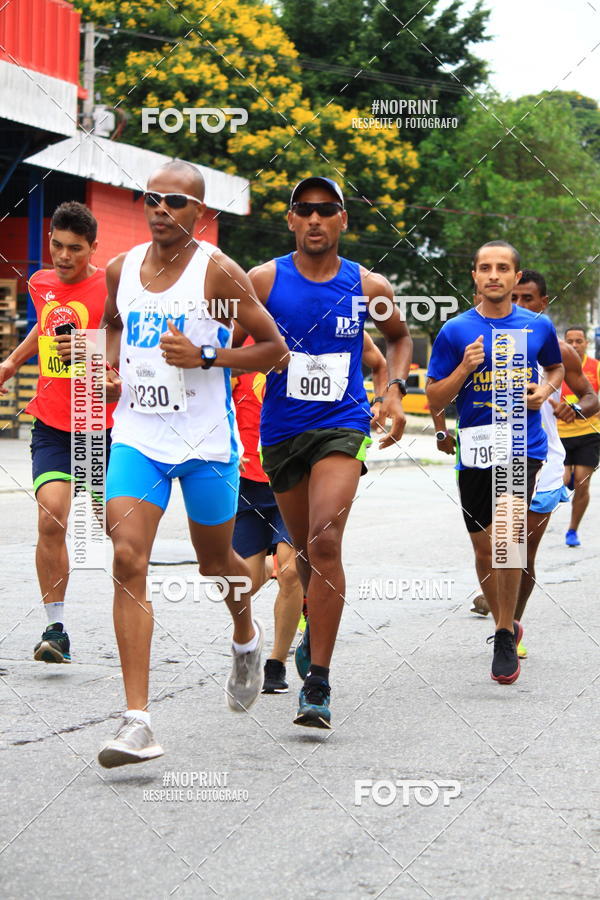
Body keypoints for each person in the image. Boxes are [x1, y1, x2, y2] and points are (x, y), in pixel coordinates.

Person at [97, 160, 289, 767]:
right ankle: (137, 722)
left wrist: (208, 354)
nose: (160, 209)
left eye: (175, 202)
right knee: (127, 555)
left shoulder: (220, 273)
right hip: (137, 436)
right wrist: (108, 366)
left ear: (200, 214)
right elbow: (110, 324)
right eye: (152, 198)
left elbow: (274, 349)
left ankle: (245, 635)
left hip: (206, 442)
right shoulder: (120, 269)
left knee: (216, 566)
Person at [249, 176, 412, 728]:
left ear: (343, 220)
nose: (315, 219)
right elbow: (227, 336)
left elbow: (399, 339)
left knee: (325, 540)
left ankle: (317, 683)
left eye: (327, 210)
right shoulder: (263, 279)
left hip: (342, 425)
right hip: (282, 432)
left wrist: (392, 391)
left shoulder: (368, 284)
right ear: (291, 219)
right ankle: (313, 628)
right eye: (304, 209)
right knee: (302, 550)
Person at [426, 241, 564, 685]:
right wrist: (463, 371)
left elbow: (556, 368)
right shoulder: (455, 331)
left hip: (523, 445)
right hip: (476, 447)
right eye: (485, 267)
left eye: (503, 268)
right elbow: (433, 397)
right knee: (485, 549)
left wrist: (545, 391)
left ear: (515, 276)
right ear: (474, 276)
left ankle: (505, 633)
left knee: (507, 533)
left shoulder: (537, 326)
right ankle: (503, 621)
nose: (494, 275)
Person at [231, 331, 389, 695]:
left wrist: (381, 399)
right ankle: (258, 633)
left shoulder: (330, 328)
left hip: (301, 472)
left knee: (289, 570)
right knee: (245, 581)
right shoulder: (244, 346)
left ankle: (275, 663)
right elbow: (213, 389)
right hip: (250, 480)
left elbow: (379, 361)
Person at [0, 202, 116, 664]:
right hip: (50, 420)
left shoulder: (111, 286)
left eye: (75, 248)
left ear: (92, 248)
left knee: (116, 527)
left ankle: (134, 604)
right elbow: (43, 331)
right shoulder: (39, 282)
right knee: (51, 518)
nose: (64, 256)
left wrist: (108, 373)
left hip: (99, 424)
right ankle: (55, 627)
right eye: (56, 246)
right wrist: (12, 361)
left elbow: (122, 345)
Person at [557, 325, 600, 547]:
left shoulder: (596, 367)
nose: (574, 345)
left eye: (579, 341)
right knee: (564, 480)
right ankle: (569, 479)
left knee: (582, 483)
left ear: (586, 343)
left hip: (588, 433)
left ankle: (572, 530)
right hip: (560, 434)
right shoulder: (555, 366)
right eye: (570, 341)